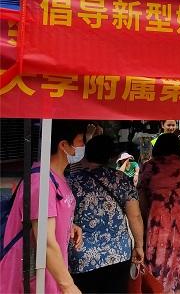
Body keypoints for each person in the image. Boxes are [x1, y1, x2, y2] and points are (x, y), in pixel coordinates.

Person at [0, 120, 87, 294]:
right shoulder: (41, 181)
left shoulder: (56, 175)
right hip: (36, 277)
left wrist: (68, 225)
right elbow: (45, 241)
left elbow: (48, 215)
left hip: (52, 272)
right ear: (64, 145)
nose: (84, 146)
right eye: (81, 140)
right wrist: (69, 286)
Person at [68, 135, 144, 293]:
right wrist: (139, 245)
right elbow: (135, 216)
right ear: (111, 157)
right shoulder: (121, 179)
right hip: (118, 254)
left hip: (82, 256)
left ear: (86, 153)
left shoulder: (72, 181)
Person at [138, 133, 180, 293]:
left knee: (159, 259)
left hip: (158, 218)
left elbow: (142, 199)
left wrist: (146, 222)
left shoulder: (149, 167)